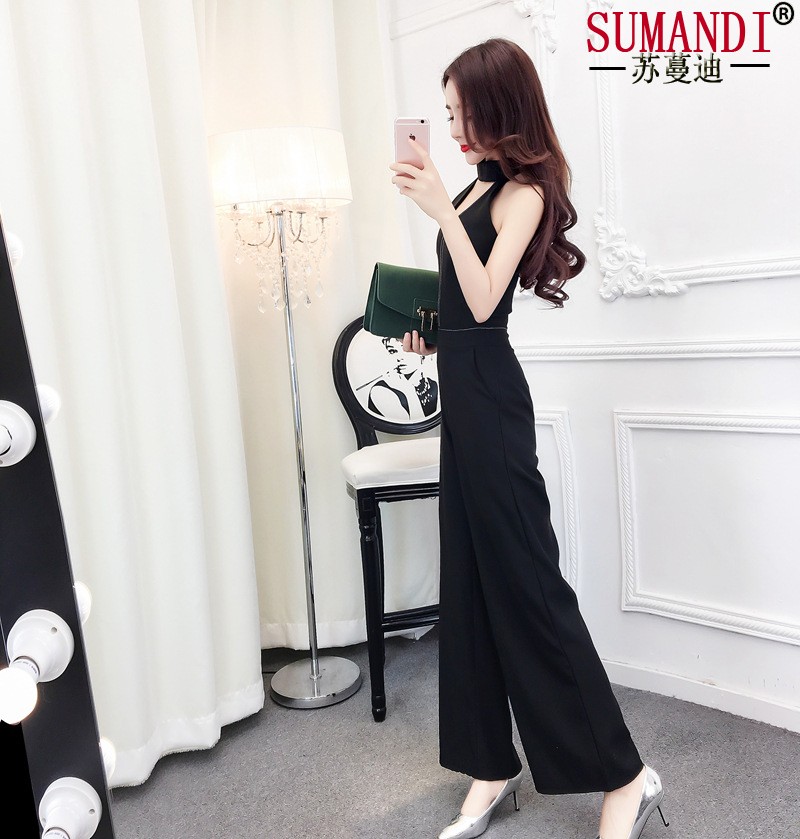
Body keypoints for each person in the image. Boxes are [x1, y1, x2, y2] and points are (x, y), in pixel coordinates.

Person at [388, 38, 669, 839]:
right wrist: (431, 335)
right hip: (461, 391)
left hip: (493, 402)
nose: (451, 129)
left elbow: (488, 301)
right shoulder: (477, 187)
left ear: (498, 107)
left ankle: (627, 774)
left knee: (530, 585)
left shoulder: (524, 196)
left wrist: (440, 211)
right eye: (445, 115)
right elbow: (463, 307)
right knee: (471, 583)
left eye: (461, 114)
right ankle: (492, 763)